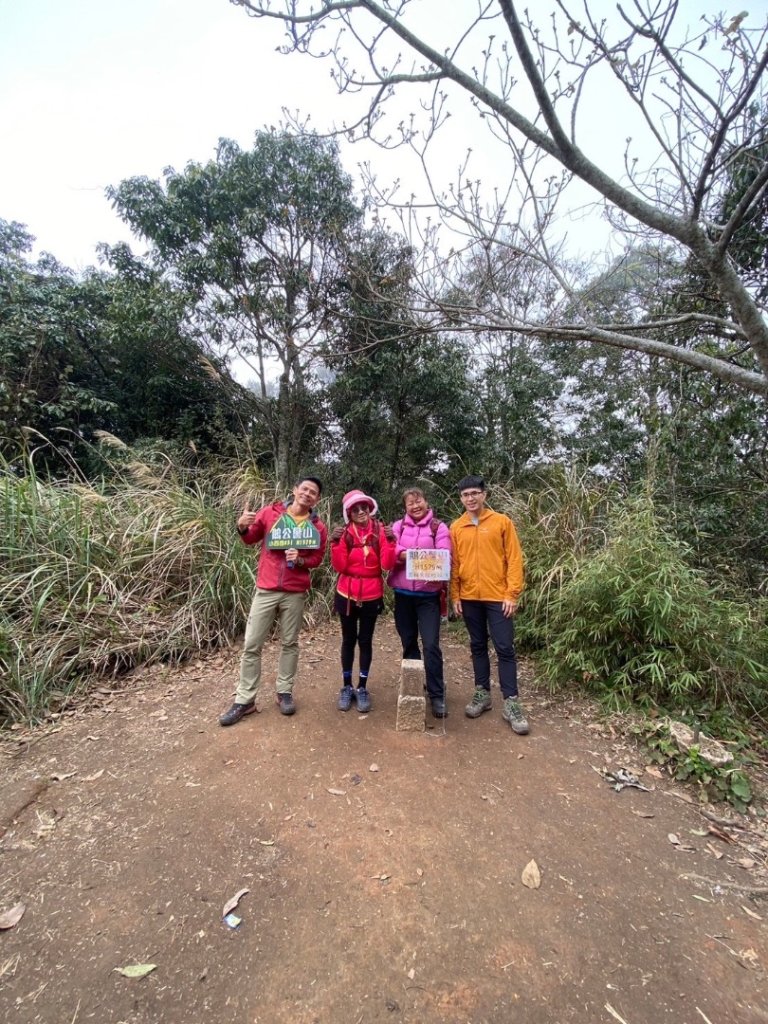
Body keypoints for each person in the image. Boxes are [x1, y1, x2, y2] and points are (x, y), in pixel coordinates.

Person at [219, 477, 328, 726]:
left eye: (313, 492)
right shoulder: (271, 512)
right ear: (295, 490)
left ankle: (284, 692)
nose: (308, 494)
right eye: (304, 489)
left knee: (290, 642)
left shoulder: (317, 527)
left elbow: (317, 558)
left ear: (317, 499)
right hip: (266, 588)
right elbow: (250, 538)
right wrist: (242, 526)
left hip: (294, 590)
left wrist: (300, 559)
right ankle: (245, 699)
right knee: (252, 643)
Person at [449, 475, 529, 735]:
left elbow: (514, 559)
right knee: (477, 644)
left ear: (484, 495)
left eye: (474, 493)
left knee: (505, 647)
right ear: (461, 499)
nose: (470, 499)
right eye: (465, 495)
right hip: (470, 596)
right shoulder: (457, 527)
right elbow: (454, 565)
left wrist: (512, 594)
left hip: (498, 597)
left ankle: (511, 702)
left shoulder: (501, 522)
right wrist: (456, 596)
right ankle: (482, 692)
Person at [330, 489, 396, 713]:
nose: (361, 512)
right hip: (347, 593)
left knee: (365, 640)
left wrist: (390, 541)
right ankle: (347, 686)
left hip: (371, 593)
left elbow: (386, 565)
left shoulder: (379, 531)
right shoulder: (345, 533)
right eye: (355, 509)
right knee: (348, 640)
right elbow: (339, 566)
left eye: (364, 507)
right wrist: (336, 543)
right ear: (349, 512)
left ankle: (362, 687)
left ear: (370, 509)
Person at [388, 487, 452, 718]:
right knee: (408, 642)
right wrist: (406, 554)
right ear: (405, 507)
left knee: (431, 644)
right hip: (403, 594)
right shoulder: (398, 526)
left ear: (426, 502)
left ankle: (436, 694)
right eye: (410, 503)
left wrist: (425, 560)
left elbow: (445, 554)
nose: (415, 506)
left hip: (429, 597)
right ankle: (414, 688)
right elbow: (390, 547)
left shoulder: (438, 527)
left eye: (419, 501)